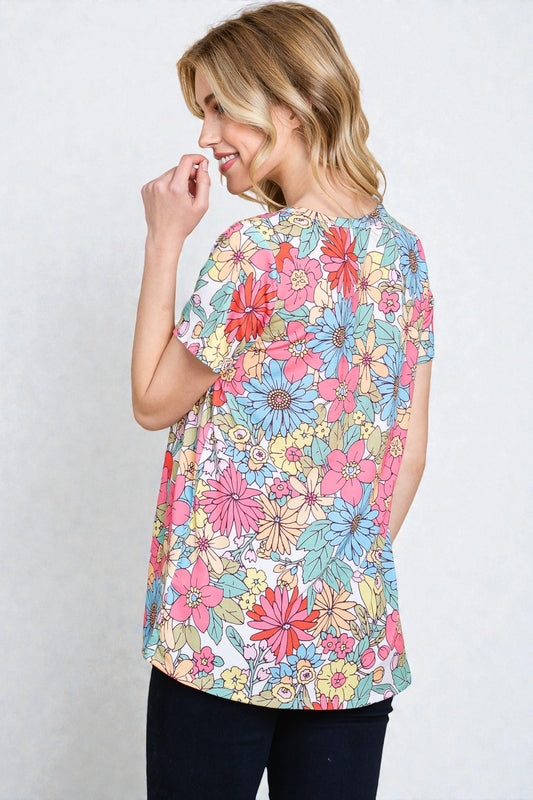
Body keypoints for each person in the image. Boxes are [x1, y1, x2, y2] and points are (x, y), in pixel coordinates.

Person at [131, 3, 434, 798]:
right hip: (348, 641)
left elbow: (153, 400)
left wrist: (165, 237)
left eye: (219, 106)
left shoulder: (255, 252)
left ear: (287, 108)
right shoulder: (401, 253)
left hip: (222, 637)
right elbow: (407, 457)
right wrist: (325, 579)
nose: (205, 135)